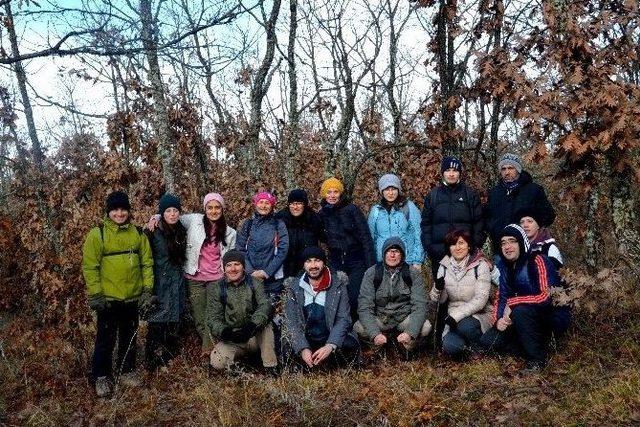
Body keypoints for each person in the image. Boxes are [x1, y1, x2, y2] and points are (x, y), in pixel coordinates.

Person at [82, 190, 154, 397]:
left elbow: (147, 263)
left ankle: (126, 370)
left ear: (129, 211)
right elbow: (90, 267)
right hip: (109, 299)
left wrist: (147, 290)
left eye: (123, 209)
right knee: (105, 338)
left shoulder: (138, 234)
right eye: (115, 210)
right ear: (108, 212)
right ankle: (101, 376)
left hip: (132, 297)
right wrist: (96, 294)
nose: (120, 214)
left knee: (129, 336)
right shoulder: (98, 234)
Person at [149, 192, 237, 358]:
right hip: (194, 278)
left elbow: (230, 258)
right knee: (199, 318)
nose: (213, 211)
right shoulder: (195, 220)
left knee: (212, 316)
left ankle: (210, 353)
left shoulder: (230, 232)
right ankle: (215, 350)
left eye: (217, 207)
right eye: (209, 208)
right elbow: (173, 215)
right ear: (205, 209)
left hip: (216, 279)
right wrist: (156, 216)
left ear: (222, 209)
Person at [479, 224, 559, 373]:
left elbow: (547, 297)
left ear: (521, 242)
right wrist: (498, 321)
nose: (507, 246)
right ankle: (524, 346)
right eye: (503, 243)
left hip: (547, 317)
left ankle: (536, 361)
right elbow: (502, 297)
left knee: (521, 311)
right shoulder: (506, 268)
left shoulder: (538, 260)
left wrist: (514, 303)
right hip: (517, 319)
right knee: (487, 342)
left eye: (512, 241)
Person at [283, 246, 359, 370]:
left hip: (330, 336)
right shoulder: (294, 288)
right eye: (308, 261)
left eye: (317, 260)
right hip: (307, 340)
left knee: (350, 345)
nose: (313, 265)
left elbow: (343, 319)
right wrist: (303, 348)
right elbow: (292, 322)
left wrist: (330, 345)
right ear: (303, 265)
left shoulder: (338, 285)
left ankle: (330, 366)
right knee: (287, 348)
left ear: (324, 263)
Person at [354, 237, 430, 352]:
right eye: (389, 251)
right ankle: (378, 347)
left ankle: (406, 348)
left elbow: (420, 306)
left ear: (402, 255)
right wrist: (375, 334)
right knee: (358, 327)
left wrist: (410, 333)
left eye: (396, 251)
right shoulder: (372, 273)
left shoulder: (412, 273)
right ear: (384, 254)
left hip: (404, 318)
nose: (392, 255)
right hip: (381, 318)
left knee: (426, 327)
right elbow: (364, 307)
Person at [208, 250, 278, 373]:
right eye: (229, 265)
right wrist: (225, 332)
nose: (233, 269)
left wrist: (252, 325)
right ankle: (241, 363)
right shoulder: (217, 288)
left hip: (254, 335)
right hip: (233, 338)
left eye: (237, 264)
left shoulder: (255, 283)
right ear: (224, 269)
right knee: (217, 361)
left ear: (243, 267)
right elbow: (213, 318)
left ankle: (270, 367)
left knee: (266, 325)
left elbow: (265, 306)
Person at [319, 177, 376, 319]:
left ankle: (358, 328)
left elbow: (365, 238)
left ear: (340, 193)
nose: (332, 195)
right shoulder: (321, 214)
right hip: (336, 260)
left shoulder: (351, 210)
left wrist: (371, 266)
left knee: (355, 296)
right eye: (329, 192)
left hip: (355, 259)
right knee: (336, 297)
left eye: (335, 192)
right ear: (324, 194)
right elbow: (320, 236)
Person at [430, 229, 492, 358]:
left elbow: (481, 299)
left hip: (478, 315)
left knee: (465, 326)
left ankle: (479, 348)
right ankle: (468, 349)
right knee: (450, 346)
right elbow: (439, 300)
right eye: (453, 244)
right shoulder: (444, 266)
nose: (457, 247)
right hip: (453, 316)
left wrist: (456, 316)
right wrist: (437, 289)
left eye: (461, 243)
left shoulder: (480, 265)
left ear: (469, 246)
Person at [421, 156, 484, 279]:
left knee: (466, 293)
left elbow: (479, 223)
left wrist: (473, 247)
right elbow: (426, 224)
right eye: (448, 170)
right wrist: (430, 247)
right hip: (439, 255)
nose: (451, 174)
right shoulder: (433, 196)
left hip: (465, 255)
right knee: (441, 294)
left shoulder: (470, 194)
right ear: (443, 173)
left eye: (455, 171)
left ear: (459, 173)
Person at [145, 193, 188, 371]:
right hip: (159, 282)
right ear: (162, 213)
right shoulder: (152, 231)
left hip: (177, 281)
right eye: (168, 211)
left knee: (175, 319)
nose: (172, 214)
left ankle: (169, 357)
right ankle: (151, 359)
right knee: (157, 320)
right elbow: (145, 258)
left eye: (175, 210)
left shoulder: (182, 229)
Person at [485, 153, 556, 257]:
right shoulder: (494, 192)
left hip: (527, 248)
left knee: (525, 273)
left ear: (518, 169)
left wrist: (531, 229)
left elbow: (549, 215)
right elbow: (488, 215)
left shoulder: (534, 190)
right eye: (503, 169)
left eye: (510, 168)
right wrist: (493, 229)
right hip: (501, 248)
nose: (507, 172)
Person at [516, 207, 571, 339]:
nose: (525, 225)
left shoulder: (549, 248)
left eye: (530, 221)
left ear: (538, 224)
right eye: (522, 222)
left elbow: (559, 281)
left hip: (550, 307)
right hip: (526, 303)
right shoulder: (517, 250)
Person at [236, 191, 289, 301]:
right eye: (261, 202)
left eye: (267, 203)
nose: (263, 206)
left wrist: (267, 272)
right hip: (250, 278)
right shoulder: (248, 224)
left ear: (272, 206)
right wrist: (251, 271)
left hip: (273, 280)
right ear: (255, 204)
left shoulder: (278, 224)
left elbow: (283, 250)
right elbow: (240, 248)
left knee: (273, 313)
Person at [368, 173, 423, 270]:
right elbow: (371, 238)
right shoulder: (376, 211)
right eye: (386, 189)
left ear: (398, 190)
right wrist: (372, 262)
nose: (390, 193)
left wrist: (417, 260)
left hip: (406, 262)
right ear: (382, 191)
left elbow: (418, 234)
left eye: (393, 189)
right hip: (382, 263)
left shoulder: (409, 207)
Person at [275, 189, 325, 278]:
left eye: (299, 203)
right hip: (285, 265)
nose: (295, 207)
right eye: (292, 204)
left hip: (308, 266)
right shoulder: (280, 218)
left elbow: (324, 240)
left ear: (304, 204)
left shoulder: (314, 219)